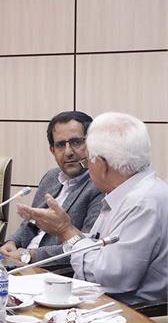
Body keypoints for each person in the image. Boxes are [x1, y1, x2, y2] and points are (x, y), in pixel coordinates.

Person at [16, 112, 168, 305]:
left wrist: (66, 231)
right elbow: (96, 245)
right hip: (98, 301)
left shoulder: (143, 202)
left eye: (87, 159)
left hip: (129, 313)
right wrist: (70, 233)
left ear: (102, 165)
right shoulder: (126, 192)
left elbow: (111, 278)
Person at [0, 111, 103, 264]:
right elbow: (32, 223)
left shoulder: (99, 185)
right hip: (20, 262)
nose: (68, 152)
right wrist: (12, 242)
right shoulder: (51, 177)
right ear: (52, 150)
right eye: (60, 145)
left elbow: (88, 246)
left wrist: (30, 256)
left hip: (53, 270)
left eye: (76, 142)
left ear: (91, 144)